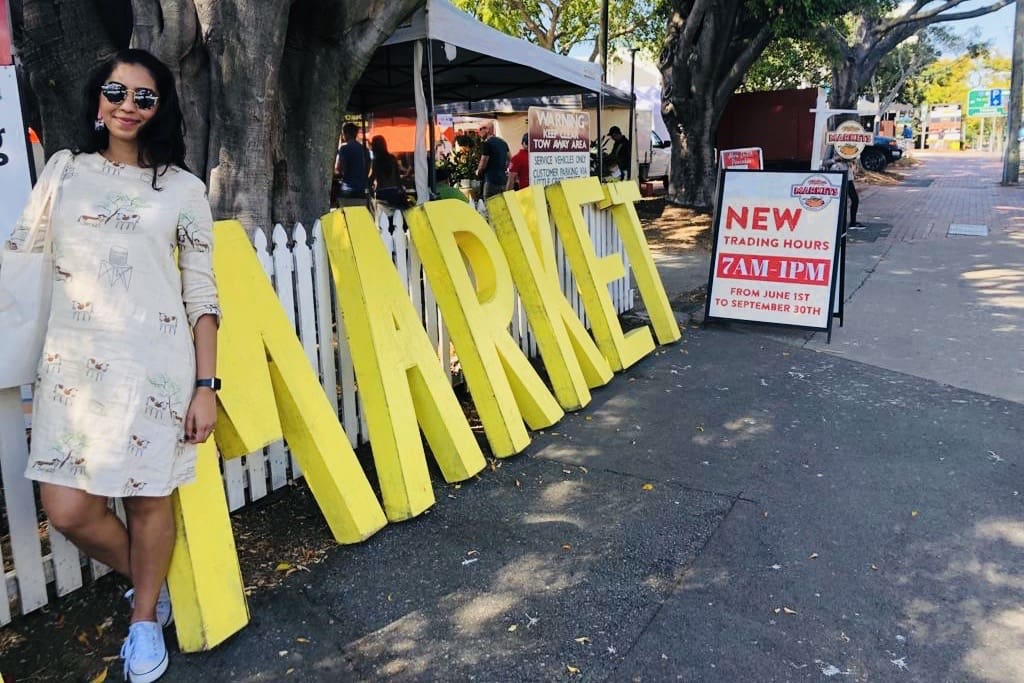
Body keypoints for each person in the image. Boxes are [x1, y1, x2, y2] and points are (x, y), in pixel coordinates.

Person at [4, 49, 220, 682]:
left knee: (150, 497)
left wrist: (206, 386)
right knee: (68, 510)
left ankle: (145, 617)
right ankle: (149, 576)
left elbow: (202, 298)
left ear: (161, 108)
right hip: (70, 371)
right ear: (98, 99)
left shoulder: (183, 189)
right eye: (116, 92)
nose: (127, 105)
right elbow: (22, 257)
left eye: (143, 97)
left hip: (156, 369)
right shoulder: (65, 173)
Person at [369, 136, 406, 210]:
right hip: (394, 191)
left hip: (381, 192)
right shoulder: (392, 159)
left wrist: (369, 188)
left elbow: (372, 178)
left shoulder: (376, 161)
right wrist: (402, 190)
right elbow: (397, 178)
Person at [334, 122, 368, 201]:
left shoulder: (344, 148)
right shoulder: (364, 149)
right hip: (361, 188)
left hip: (347, 188)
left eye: (343, 134)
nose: (343, 136)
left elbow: (339, 169)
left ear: (347, 134)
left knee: (345, 212)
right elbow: (367, 168)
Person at [475, 121, 509, 199]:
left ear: (487, 130)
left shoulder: (487, 144)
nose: (479, 132)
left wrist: (478, 171)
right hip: (503, 180)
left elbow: (483, 163)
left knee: (489, 206)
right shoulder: (503, 142)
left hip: (491, 181)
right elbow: (509, 158)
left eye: (480, 129)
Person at [826, 155, 862, 229]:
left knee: (854, 200)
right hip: (837, 176)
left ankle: (852, 222)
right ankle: (838, 222)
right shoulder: (832, 148)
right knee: (840, 201)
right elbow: (824, 162)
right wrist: (836, 159)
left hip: (848, 178)